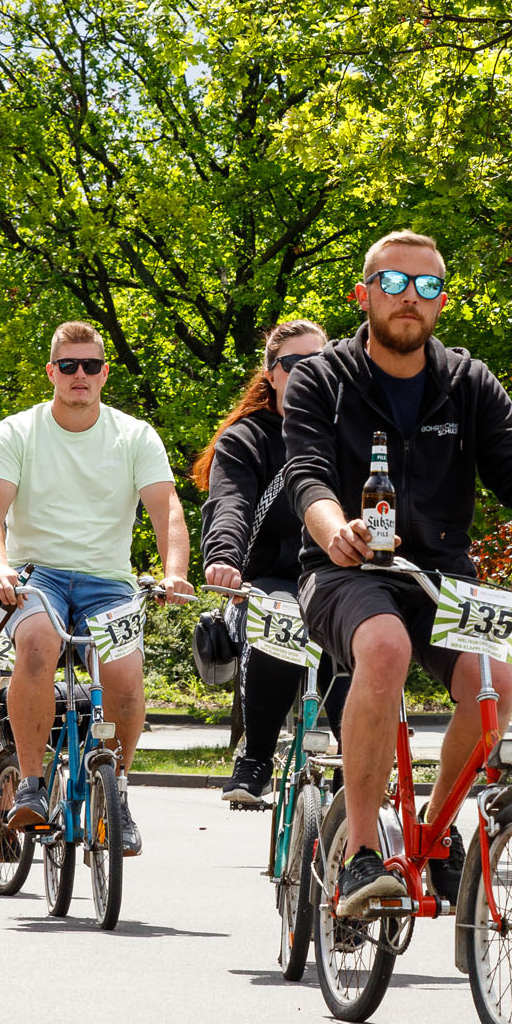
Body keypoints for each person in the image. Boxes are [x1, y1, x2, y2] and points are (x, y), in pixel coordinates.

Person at [283, 230, 512, 916]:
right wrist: (335, 529)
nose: (409, 298)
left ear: (442, 303)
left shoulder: (466, 381)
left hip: (440, 575)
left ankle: (432, 830)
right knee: (386, 647)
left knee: (496, 680)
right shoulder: (320, 377)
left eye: (426, 287)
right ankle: (363, 850)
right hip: (345, 572)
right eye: (393, 283)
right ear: (362, 295)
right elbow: (306, 475)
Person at [0, 320, 193, 855]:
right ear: (51, 371)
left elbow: (166, 510)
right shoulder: (17, 431)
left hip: (108, 581)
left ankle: (115, 792)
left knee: (123, 677)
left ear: (103, 374)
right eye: (68, 366)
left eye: (90, 366)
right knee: (38, 644)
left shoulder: (135, 434)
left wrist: (175, 571)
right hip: (36, 573)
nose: (79, 376)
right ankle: (29, 782)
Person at [195, 319, 349, 805]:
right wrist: (223, 558)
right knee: (280, 627)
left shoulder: (349, 431)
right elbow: (231, 504)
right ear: (271, 374)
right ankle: (257, 755)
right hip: (271, 580)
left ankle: (358, 765)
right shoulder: (248, 438)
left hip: (340, 576)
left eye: (317, 363)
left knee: (359, 657)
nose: (306, 372)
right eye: (292, 363)